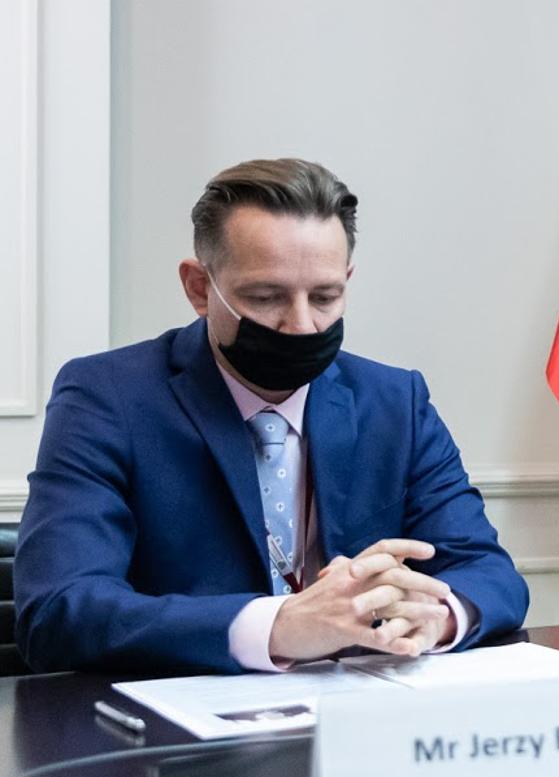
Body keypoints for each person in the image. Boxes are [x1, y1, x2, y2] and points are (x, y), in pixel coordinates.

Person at [15, 158, 529, 674]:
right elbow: (59, 610)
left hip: (364, 717)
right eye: (266, 297)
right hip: (181, 732)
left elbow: (489, 572)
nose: (302, 325)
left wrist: (435, 615)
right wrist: (276, 626)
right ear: (199, 288)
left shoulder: (395, 401)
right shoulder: (108, 396)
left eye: (326, 296)